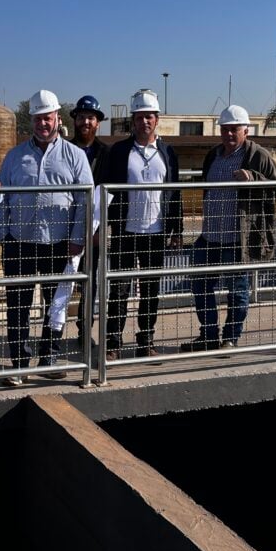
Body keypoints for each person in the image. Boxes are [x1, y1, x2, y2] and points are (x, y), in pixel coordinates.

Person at [0, 89, 93, 385]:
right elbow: (1, 199)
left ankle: (49, 358)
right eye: (38, 118)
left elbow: (85, 201)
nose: (42, 123)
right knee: (18, 307)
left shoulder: (74, 156)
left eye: (47, 118)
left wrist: (77, 239)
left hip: (59, 244)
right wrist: (3, 234)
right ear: (32, 120)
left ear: (57, 118)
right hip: (20, 243)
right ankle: (19, 365)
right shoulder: (15, 157)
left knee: (56, 305)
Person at [182, 105, 276, 353]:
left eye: (234, 129)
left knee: (237, 291)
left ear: (246, 130)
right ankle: (208, 336)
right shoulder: (213, 155)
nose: (228, 134)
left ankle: (230, 338)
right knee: (200, 286)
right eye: (224, 129)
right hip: (209, 236)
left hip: (237, 238)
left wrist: (254, 179)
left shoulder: (258, 156)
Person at [101, 89, 182, 361]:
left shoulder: (167, 153)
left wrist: (177, 230)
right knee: (119, 290)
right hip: (125, 232)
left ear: (157, 119)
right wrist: (103, 224)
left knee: (150, 291)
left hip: (156, 233)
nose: (144, 121)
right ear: (132, 121)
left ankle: (146, 340)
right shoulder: (119, 151)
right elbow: (107, 190)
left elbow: (175, 192)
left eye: (149, 116)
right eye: (139, 117)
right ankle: (113, 343)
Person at [68, 94, 110, 339]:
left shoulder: (106, 153)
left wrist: (101, 228)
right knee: (60, 281)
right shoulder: (64, 150)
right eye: (82, 117)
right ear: (74, 120)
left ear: (98, 123)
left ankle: (85, 332)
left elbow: (111, 192)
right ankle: (52, 332)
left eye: (91, 118)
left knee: (90, 282)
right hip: (65, 226)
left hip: (94, 228)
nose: (86, 122)